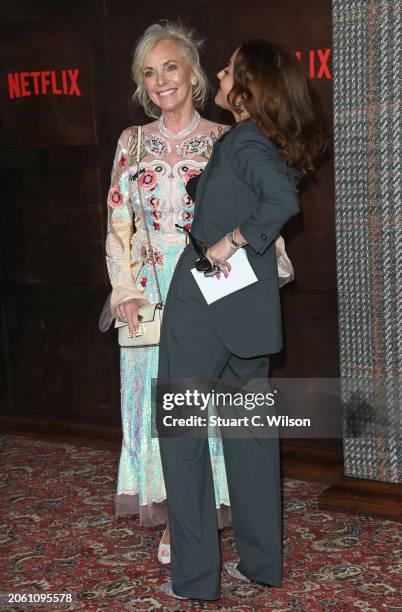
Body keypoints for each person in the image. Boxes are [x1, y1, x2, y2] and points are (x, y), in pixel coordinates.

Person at [156, 39, 326, 600]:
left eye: (227, 70)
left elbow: (280, 202)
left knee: (180, 435)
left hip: (202, 299)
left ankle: (196, 577)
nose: (220, 75)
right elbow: (267, 197)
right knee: (250, 437)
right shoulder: (266, 141)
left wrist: (228, 241)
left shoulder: (242, 139)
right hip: (248, 307)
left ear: (247, 85)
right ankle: (259, 565)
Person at [99, 21, 231, 564]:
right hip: (150, 300)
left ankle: (206, 508)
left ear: (193, 72)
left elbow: (246, 220)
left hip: (208, 291)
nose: (160, 81)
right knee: (161, 410)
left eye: (169, 67)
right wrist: (124, 290)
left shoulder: (224, 140)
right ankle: (177, 516)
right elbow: (117, 223)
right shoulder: (131, 143)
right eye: (149, 73)